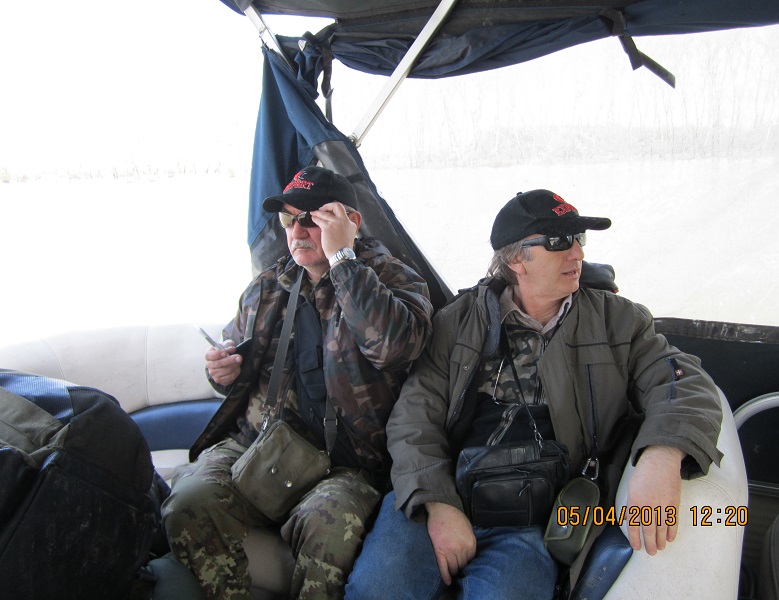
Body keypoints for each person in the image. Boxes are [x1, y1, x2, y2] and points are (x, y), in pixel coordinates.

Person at [345, 189, 724, 599]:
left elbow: (683, 380)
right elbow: (413, 419)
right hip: (444, 490)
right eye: (559, 241)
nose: (577, 253)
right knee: (376, 590)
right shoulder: (456, 323)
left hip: (535, 520)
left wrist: (662, 455)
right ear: (515, 260)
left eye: (579, 238)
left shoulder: (618, 322)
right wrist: (439, 505)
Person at [162, 166, 434, 600]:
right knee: (188, 502)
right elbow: (233, 353)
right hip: (257, 445)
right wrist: (221, 372)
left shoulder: (393, 278)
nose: (297, 231)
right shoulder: (267, 287)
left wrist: (343, 260)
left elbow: (394, 347)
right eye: (289, 219)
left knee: (329, 529)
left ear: (350, 222)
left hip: (346, 464)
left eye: (312, 219)